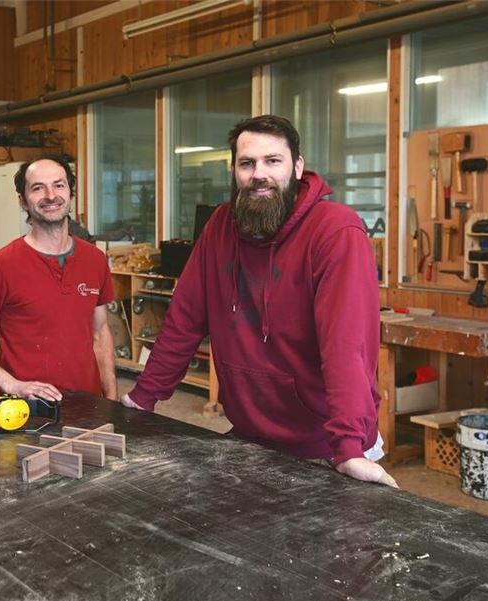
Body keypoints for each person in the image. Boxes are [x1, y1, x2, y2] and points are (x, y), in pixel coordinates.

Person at [121, 115, 396, 488]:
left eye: (273, 161)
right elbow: (184, 319)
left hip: (325, 447)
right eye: (247, 163)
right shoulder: (220, 226)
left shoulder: (336, 231)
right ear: (234, 170)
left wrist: (348, 447)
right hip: (250, 436)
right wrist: (145, 395)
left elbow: (347, 346)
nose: (258, 174)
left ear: (297, 167)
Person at [0, 155, 117, 403]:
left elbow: (100, 332)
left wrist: (111, 397)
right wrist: (11, 384)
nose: (51, 195)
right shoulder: (2, 265)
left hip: (88, 407)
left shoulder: (94, 259)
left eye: (59, 185)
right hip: (25, 411)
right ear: (23, 202)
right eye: (38, 188)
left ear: (70, 194)